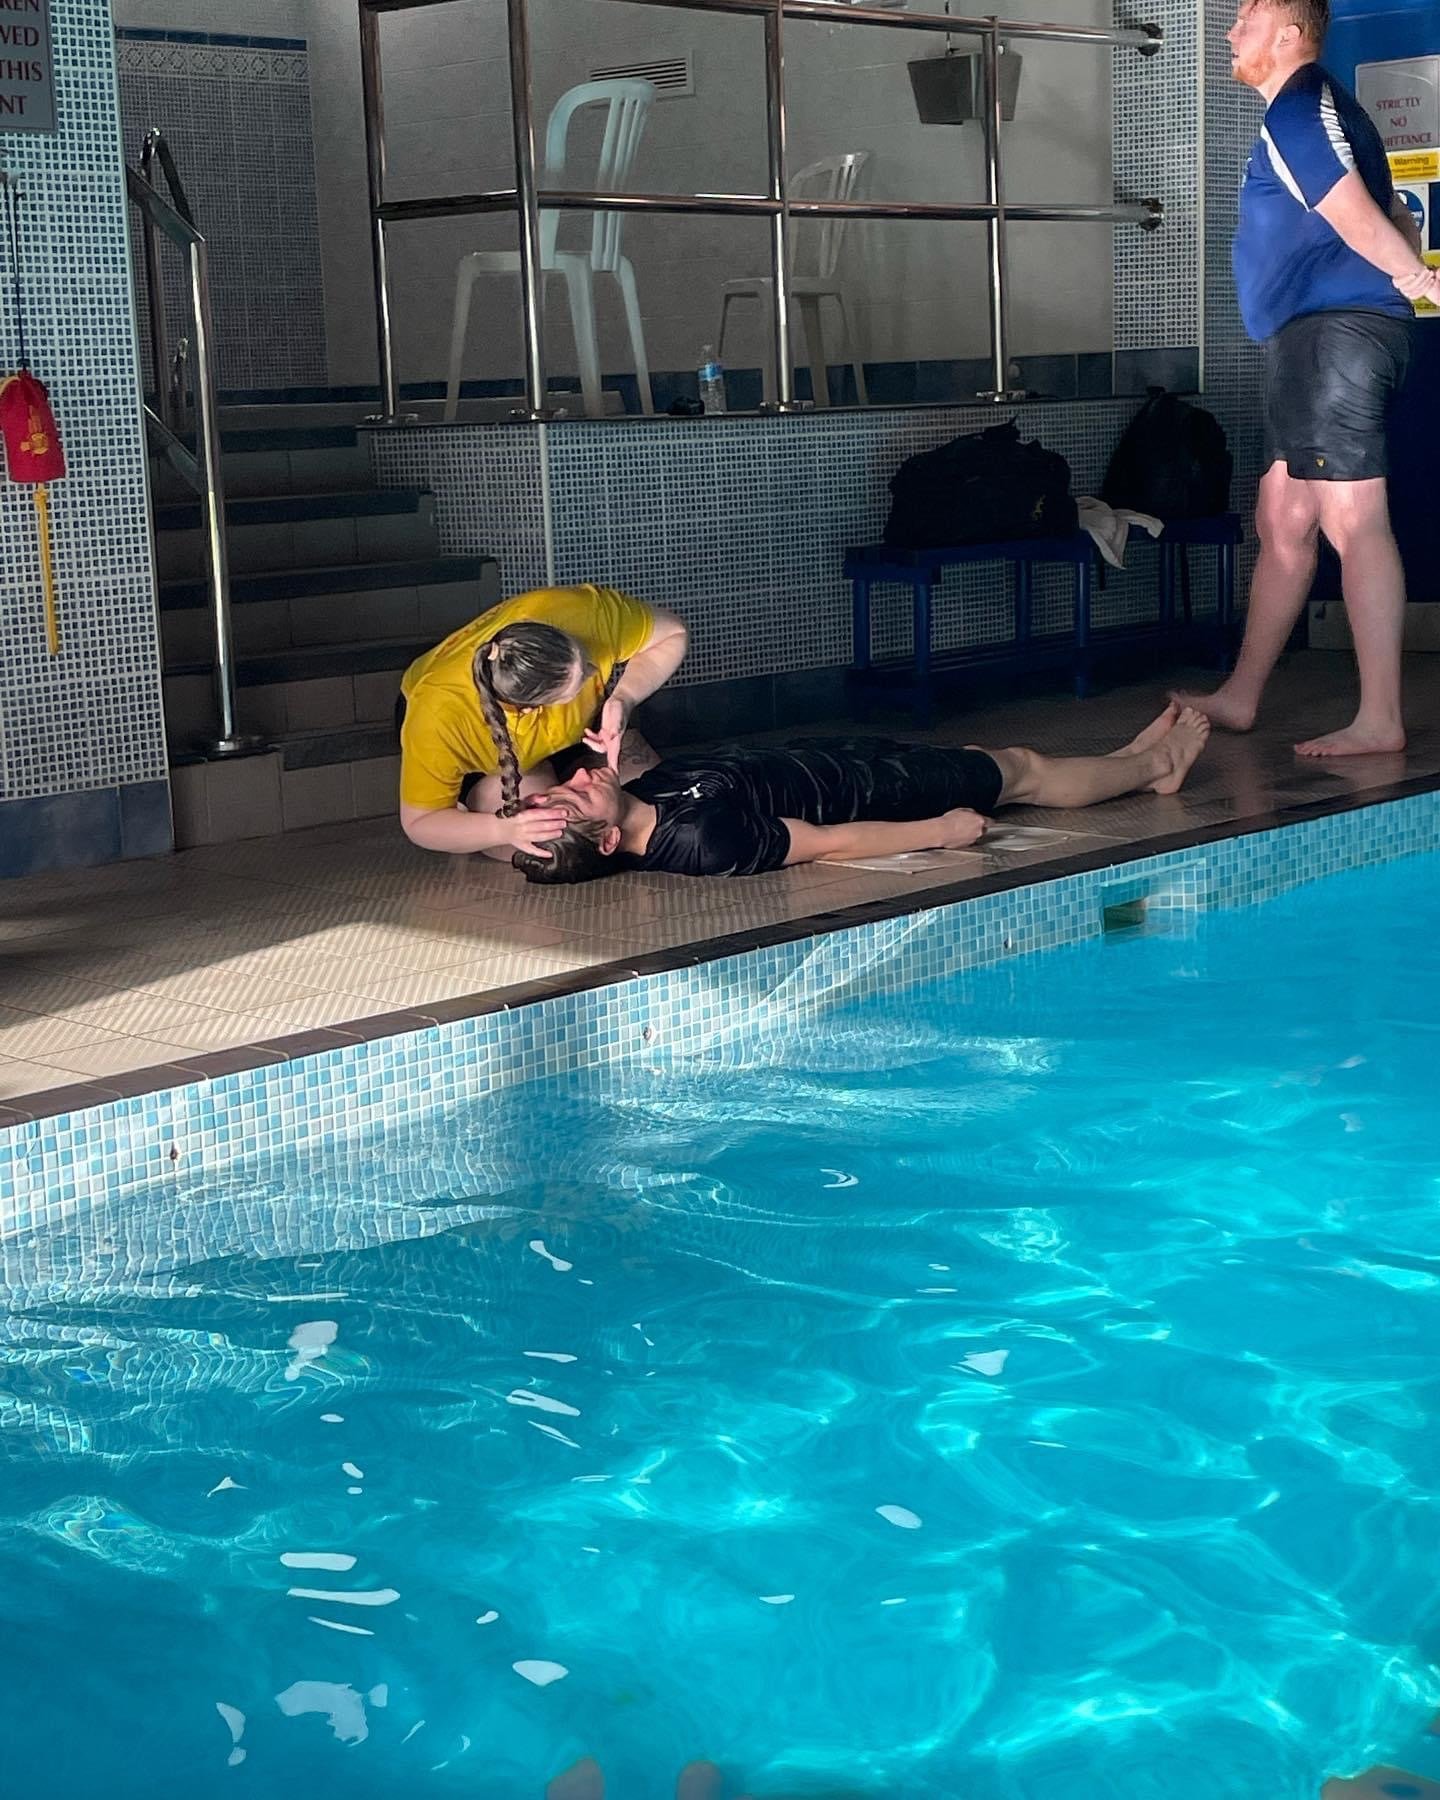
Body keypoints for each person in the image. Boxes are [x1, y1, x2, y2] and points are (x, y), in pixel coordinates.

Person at [1174, 0, 1440, 758]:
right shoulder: (1317, 110)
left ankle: (1380, 717)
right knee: (1284, 519)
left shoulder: (1301, 107)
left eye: (1245, 20)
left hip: (1337, 337)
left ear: (1290, 34)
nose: (1230, 33)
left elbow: (1354, 209)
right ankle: (1241, 695)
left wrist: (1416, 281)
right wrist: (1406, 270)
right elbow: (1391, 203)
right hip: (1313, 340)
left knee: (1354, 524)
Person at [510, 704, 1210, 884]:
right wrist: (938, 832)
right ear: (606, 840)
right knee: (1018, 770)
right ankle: (1157, 768)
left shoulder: (637, 798)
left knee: (994, 764)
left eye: (566, 783)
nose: (578, 777)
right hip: (875, 797)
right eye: (576, 798)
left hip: (842, 762)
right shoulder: (701, 842)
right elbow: (828, 844)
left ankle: (1126, 759)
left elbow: (508, 811)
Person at [397, 583, 687, 858]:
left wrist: (623, 698)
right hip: (489, 760)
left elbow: (673, 633)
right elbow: (419, 823)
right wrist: (501, 830)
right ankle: (485, 798)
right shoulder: (439, 717)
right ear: (532, 708)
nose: (592, 671)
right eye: (581, 679)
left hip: (578, 734)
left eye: (586, 662)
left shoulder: (577, 612)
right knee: (551, 841)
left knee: (656, 800)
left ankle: (568, 773)